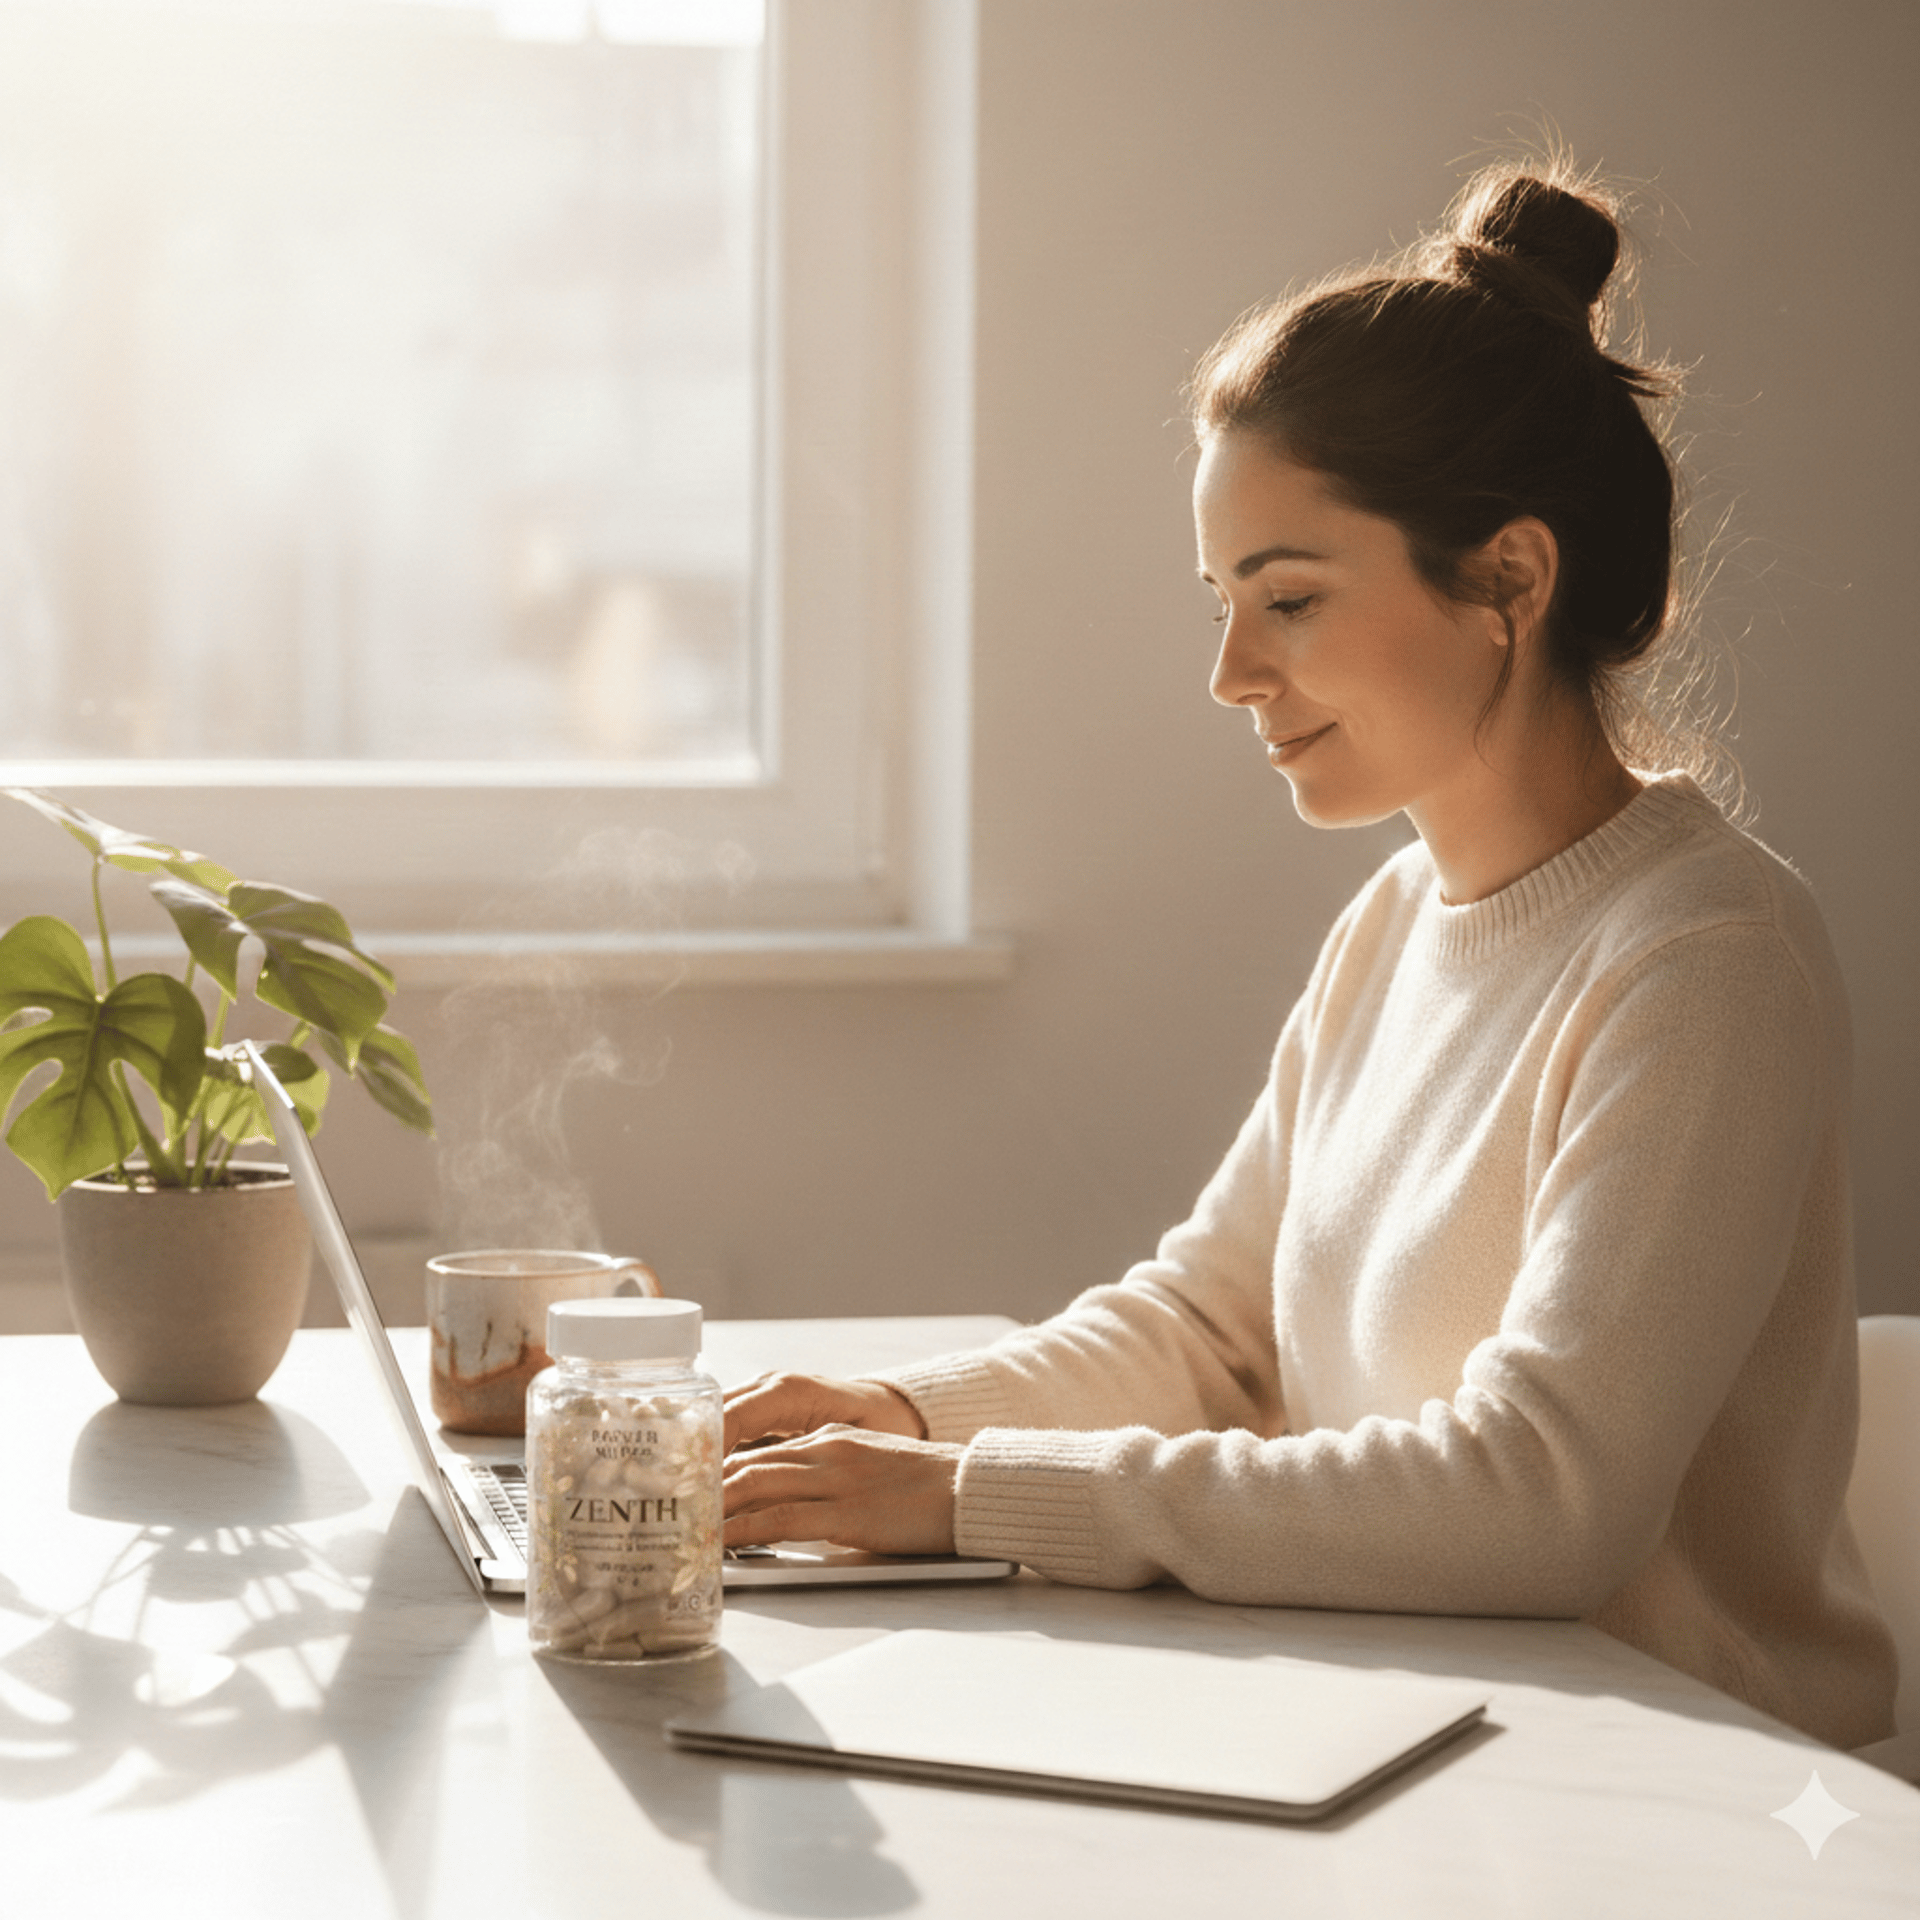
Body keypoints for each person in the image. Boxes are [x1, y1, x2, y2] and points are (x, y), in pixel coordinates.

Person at [720, 162, 1898, 1751]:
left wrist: (969, 1496)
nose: (1227, 672)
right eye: (1221, 601)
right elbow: (1215, 1336)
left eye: (1287, 599)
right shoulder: (1396, 923)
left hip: (1687, 1801)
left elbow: (1541, 1503)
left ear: (1509, 579)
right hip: (1430, 1744)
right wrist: (903, 1423)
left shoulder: (1704, 962)